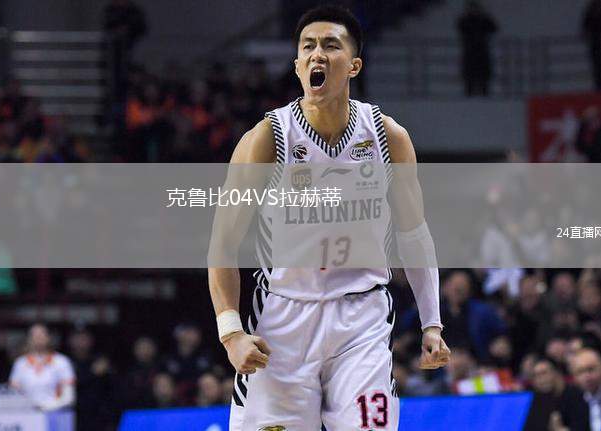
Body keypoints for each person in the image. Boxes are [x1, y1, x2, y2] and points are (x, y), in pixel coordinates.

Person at [208, 5, 450, 430]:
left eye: (331, 45)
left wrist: (432, 323)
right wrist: (231, 333)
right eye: (308, 47)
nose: (317, 54)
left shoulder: (388, 137)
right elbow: (223, 243)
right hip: (283, 319)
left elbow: (414, 234)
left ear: (354, 65)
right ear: (297, 66)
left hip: (362, 317)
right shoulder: (267, 139)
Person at [9, 324, 76, 412]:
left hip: (55, 412)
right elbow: (13, 394)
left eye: (42, 334)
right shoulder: (20, 363)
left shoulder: (61, 361)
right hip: (27, 414)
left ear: (49, 337)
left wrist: (46, 407)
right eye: (34, 335)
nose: (38, 338)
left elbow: (69, 398)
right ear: (28, 339)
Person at [551, 348, 601, 431]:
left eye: (591, 369)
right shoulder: (571, 401)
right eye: (580, 372)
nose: (587, 376)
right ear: (574, 376)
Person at [456, 1, 497, 96]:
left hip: (481, 51)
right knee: (470, 76)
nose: (474, 11)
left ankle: (483, 93)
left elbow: (493, 27)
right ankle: (470, 93)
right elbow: (460, 27)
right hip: (471, 51)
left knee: (482, 76)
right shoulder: (466, 20)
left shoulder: (482, 20)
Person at [583, 0, 601, 90]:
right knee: (598, 68)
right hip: (596, 44)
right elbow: (586, 26)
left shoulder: (592, 9)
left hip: (597, 43)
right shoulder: (591, 9)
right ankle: (599, 87)